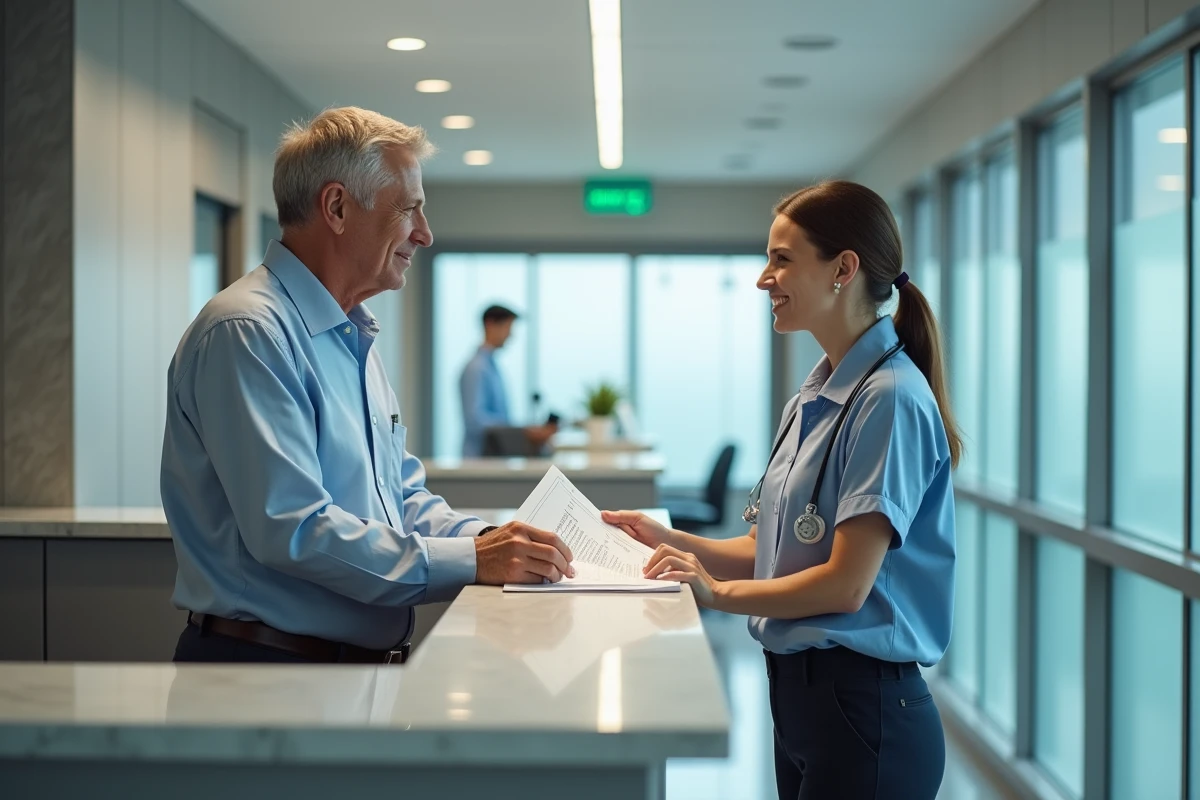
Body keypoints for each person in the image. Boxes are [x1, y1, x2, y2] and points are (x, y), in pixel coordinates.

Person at [161, 107, 575, 665]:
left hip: (344, 668)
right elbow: (295, 529)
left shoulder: (350, 333)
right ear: (336, 207)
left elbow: (399, 499)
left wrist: (492, 541)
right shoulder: (249, 332)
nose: (425, 235)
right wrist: (474, 560)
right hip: (267, 669)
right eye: (409, 210)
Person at [603, 180, 960, 799]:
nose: (763, 278)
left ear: (843, 269)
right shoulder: (815, 396)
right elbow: (775, 549)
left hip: (864, 708)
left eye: (782, 258)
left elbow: (846, 586)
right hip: (802, 700)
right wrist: (672, 539)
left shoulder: (890, 399)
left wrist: (714, 594)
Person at [459, 304, 556, 457]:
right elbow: (475, 421)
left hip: (495, 457)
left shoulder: (492, 367)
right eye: (507, 327)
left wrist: (525, 431)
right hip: (479, 460)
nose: (510, 335)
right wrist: (523, 432)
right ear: (490, 325)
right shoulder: (476, 369)